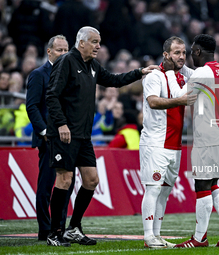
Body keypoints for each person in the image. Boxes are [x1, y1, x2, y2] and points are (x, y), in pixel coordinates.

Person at [45, 26, 158, 247]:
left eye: (99, 42)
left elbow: (114, 80)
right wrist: (61, 124)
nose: (99, 46)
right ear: (82, 43)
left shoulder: (93, 65)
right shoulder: (66, 61)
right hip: (64, 133)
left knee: (91, 180)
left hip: (83, 135)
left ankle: (73, 228)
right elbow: (52, 95)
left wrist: (140, 72)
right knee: (65, 179)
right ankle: (54, 232)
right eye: (95, 42)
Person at [164, 34, 219, 248]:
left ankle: (199, 238)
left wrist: (170, 71)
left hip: (208, 136)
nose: (188, 57)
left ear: (197, 51)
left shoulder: (202, 73)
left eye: (190, 53)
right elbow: (196, 75)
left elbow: (180, 95)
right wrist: (180, 69)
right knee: (213, 182)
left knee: (201, 185)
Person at [140, 36, 197, 248]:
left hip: (175, 144)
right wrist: (179, 101)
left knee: (164, 191)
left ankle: (157, 235)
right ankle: (147, 237)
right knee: (153, 188)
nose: (181, 57)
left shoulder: (183, 75)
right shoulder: (155, 76)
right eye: (176, 53)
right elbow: (153, 102)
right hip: (155, 142)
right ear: (166, 55)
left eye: (183, 53)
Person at [26, 35, 73, 241]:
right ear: (49, 52)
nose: (63, 53)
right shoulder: (38, 74)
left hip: (67, 138)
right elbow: (32, 106)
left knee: (66, 184)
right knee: (46, 185)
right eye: (59, 50)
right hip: (48, 139)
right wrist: (44, 132)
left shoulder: (70, 74)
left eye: (66, 50)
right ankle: (45, 229)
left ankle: (59, 228)